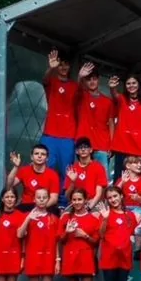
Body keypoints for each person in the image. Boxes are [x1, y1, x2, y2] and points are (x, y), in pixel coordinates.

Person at [58, 186, 100, 281]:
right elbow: (60, 239)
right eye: (74, 200)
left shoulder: (93, 219)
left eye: (79, 199)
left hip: (86, 258)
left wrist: (85, 236)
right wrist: (67, 232)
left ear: (85, 200)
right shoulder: (65, 218)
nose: (77, 202)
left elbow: (96, 241)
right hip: (70, 258)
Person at [18, 187, 59, 281]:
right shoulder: (27, 216)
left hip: (48, 256)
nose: (41, 200)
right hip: (32, 256)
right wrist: (28, 218)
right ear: (34, 199)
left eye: (44, 197)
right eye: (39, 197)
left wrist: (58, 260)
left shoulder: (53, 218)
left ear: (48, 199)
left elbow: (57, 241)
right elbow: (19, 234)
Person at [41, 50, 82, 184]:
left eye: (66, 64)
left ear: (70, 67)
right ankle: (46, 196)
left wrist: (80, 77)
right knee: (46, 168)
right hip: (50, 134)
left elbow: (81, 95)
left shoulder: (74, 85)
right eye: (60, 64)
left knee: (67, 171)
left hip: (68, 136)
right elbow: (45, 80)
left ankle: (64, 197)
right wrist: (50, 68)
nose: (63, 67)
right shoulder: (52, 82)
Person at [98, 186, 134, 281]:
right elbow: (101, 234)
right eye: (110, 198)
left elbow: (134, 233)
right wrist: (105, 218)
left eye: (115, 196)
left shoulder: (130, 215)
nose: (113, 200)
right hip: (109, 258)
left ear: (121, 196)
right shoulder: (105, 214)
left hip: (124, 258)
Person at [108, 75, 141, 179]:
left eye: (134, 83)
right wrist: (112, 87)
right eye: (128, 83)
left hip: (139, 147)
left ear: (139, 85)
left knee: (139, 179)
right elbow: (115, 95)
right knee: (120, 178)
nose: (131, 85)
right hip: (122, 145)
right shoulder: (122, 99)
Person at [74, 63, 112, 170]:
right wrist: (80, 77)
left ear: (98, 80)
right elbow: (77, 88)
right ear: (85, 81)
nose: (92, 82)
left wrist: (111, 145)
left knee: (102, 177)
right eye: (88, 79)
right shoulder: (81, 96)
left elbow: (111, 124)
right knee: (80, 176)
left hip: (101, 145)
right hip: (82, 144)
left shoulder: (108, 101)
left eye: (94, 79)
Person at [6, 145, 60, 211]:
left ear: (47, 158)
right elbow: (9, 185)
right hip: (26, 206)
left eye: (43, 154)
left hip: (45, 206)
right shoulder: (24, 170)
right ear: (31, 157)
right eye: (36, 153)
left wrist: (40, 209)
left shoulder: (53, 174)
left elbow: (54, 199)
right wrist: (16, 167)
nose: (39, 156)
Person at [64, 138, 108, 210]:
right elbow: (67, 196)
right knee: (64, 215)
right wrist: (72, 182)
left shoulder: (98, 167)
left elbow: (99, 194)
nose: (83, 149)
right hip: (76, 203)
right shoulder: (72, 169)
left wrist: (89, 208)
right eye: (80, 147)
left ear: (91, 150)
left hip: (93, 203)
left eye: (86, 147)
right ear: (76, 151)